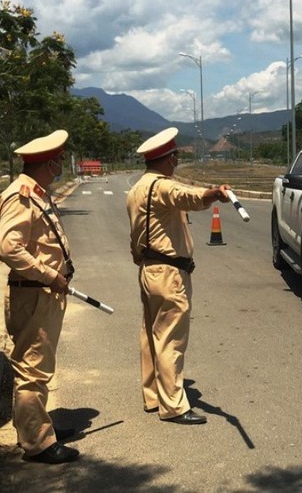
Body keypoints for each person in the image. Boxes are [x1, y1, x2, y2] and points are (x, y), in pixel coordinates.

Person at [126, 127, 230, 425]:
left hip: (149, 268)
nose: (175, 162)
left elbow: (135, 236)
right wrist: (213, 194)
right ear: (168, 159)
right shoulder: (161, 186)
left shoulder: (137, 188)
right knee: (170, 338)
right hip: (170, 272)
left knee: (151, 334)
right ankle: (173, 405)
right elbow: (187, 195)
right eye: (174, 157)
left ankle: (153, 395)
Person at [0, 129, 79, 464]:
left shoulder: (36, 192)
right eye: (57, 160)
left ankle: (38, 426)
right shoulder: (22, 196)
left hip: (41, 293)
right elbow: (9, 248)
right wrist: (49, 275)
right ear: (48, 164)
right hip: (35, 293)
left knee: (39, 365)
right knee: (32, 369)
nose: (60, 165)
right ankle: (38, 443)